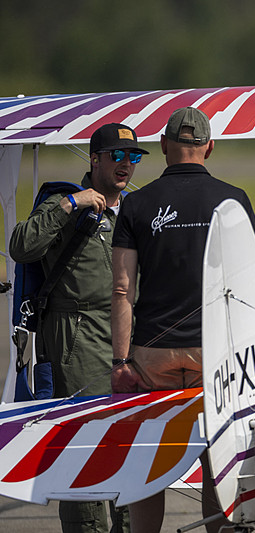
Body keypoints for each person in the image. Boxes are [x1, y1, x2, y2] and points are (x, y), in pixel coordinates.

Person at [110, 107, 255, 532]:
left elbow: (121, 290)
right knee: (218, 459)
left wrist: (120, 362)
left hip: (152, 354)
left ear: (163, 147)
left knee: (148, 461)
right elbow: (249, 284)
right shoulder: (234, 199)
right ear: (209, 148)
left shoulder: (136, 203)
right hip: (212, 354)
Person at [9, 123, 146, 533]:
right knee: (84, 442)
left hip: (129, 334)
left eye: (133, 157)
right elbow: (21, 246)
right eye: (117, 156)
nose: (125, 165)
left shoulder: (134, 209)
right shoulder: (63, 201)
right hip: (76, 335)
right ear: (95, 159)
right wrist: (71, 204)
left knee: (129, 442)